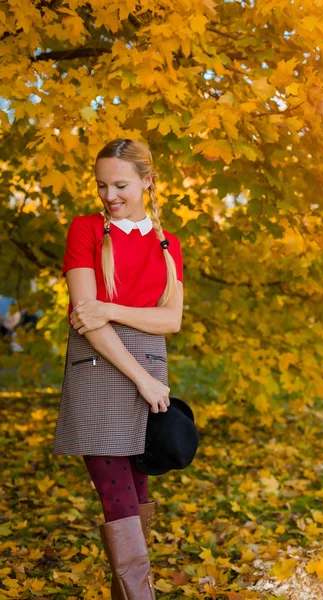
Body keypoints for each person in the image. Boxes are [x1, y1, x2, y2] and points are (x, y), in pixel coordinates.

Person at [52, 138, 184, 599]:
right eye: (102, 185)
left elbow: (172, 320)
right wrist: (143, 378)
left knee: (140, 500)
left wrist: (111, 308)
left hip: (148, 372)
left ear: (147, 181)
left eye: (121, 185)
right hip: (101, 371)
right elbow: (87, 322)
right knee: (118, 501)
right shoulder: (85, 229)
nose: (110, 196)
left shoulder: (168, 243)